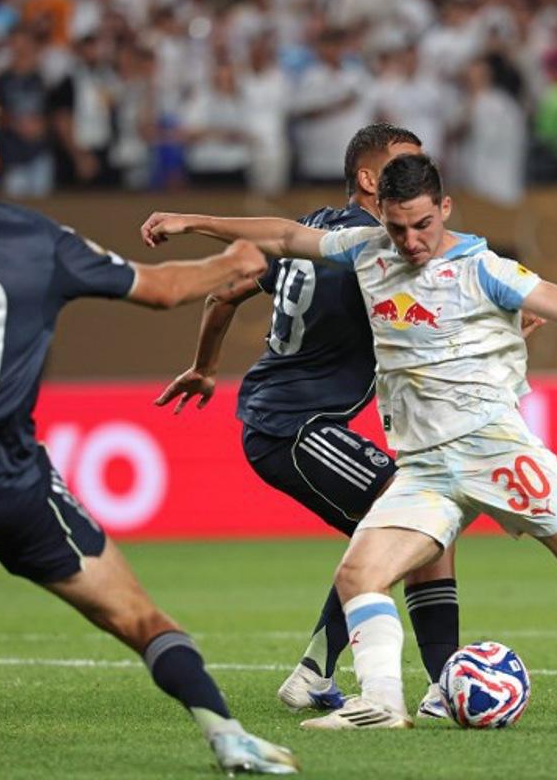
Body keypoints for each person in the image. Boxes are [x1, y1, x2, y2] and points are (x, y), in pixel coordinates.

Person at [140, 152, 557, 730]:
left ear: (445, 209)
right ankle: (382, 703)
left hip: (496, 451)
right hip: (425, 469)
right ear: (379, 215)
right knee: (358, 575)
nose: (409, 241)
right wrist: (191, 220)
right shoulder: (365, 250)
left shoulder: (485, 268)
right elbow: (284, 234)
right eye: (396, 226)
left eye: (422, 225)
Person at [0, 85, 296, 776]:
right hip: (12, 490)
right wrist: (231, 264)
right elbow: (162, 288)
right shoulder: (40, 241)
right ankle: (226, 732)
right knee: (141, 620)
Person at [156, 124, 461, 720]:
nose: (418, 179)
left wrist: (204, 366)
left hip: (278, 419)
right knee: (420, 515)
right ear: (370, 180)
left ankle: (318, 673)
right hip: (294, 425)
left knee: (392, 532)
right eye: (406, 166)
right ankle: (441, 681)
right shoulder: (377, 245)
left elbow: (229, 291)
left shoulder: (315, 228)